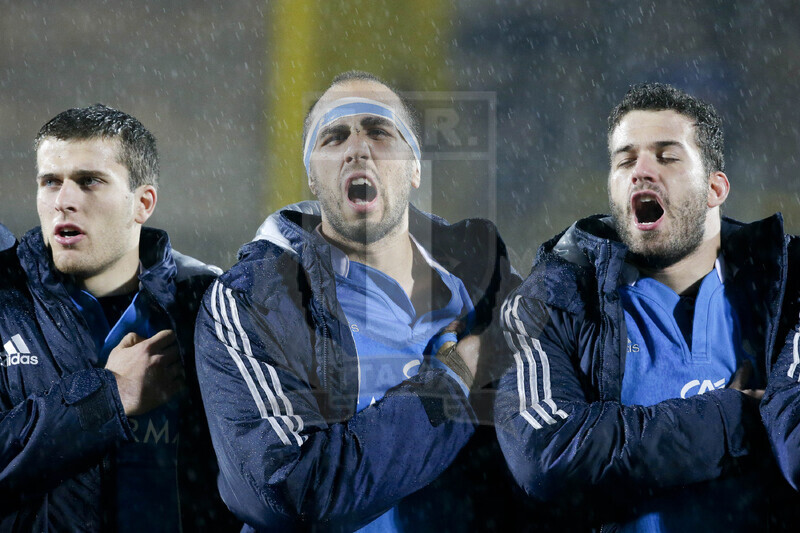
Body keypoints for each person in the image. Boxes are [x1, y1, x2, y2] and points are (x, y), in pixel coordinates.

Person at [195, 71, 520, 531]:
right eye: (334, 136)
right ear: (312, 174)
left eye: (379, 131)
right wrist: (455, 375)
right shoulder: (254, 302)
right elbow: (289, 492)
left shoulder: (486, 293)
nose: (357, 148)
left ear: (415, 168)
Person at [495, 82, 798, 531]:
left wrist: (621, 436)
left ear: (715, 187)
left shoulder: (788, 287)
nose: (641, 170)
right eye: (625, 159)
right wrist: (730, 417)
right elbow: (548, 454)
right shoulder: (554, 301)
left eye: (667, 155)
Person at [0, 104, 237, 531]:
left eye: (89, 182)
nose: (64, 201)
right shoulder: (4, 300)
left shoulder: (206, 302)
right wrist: (107, 398)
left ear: (142, 203)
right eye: (50, 182)